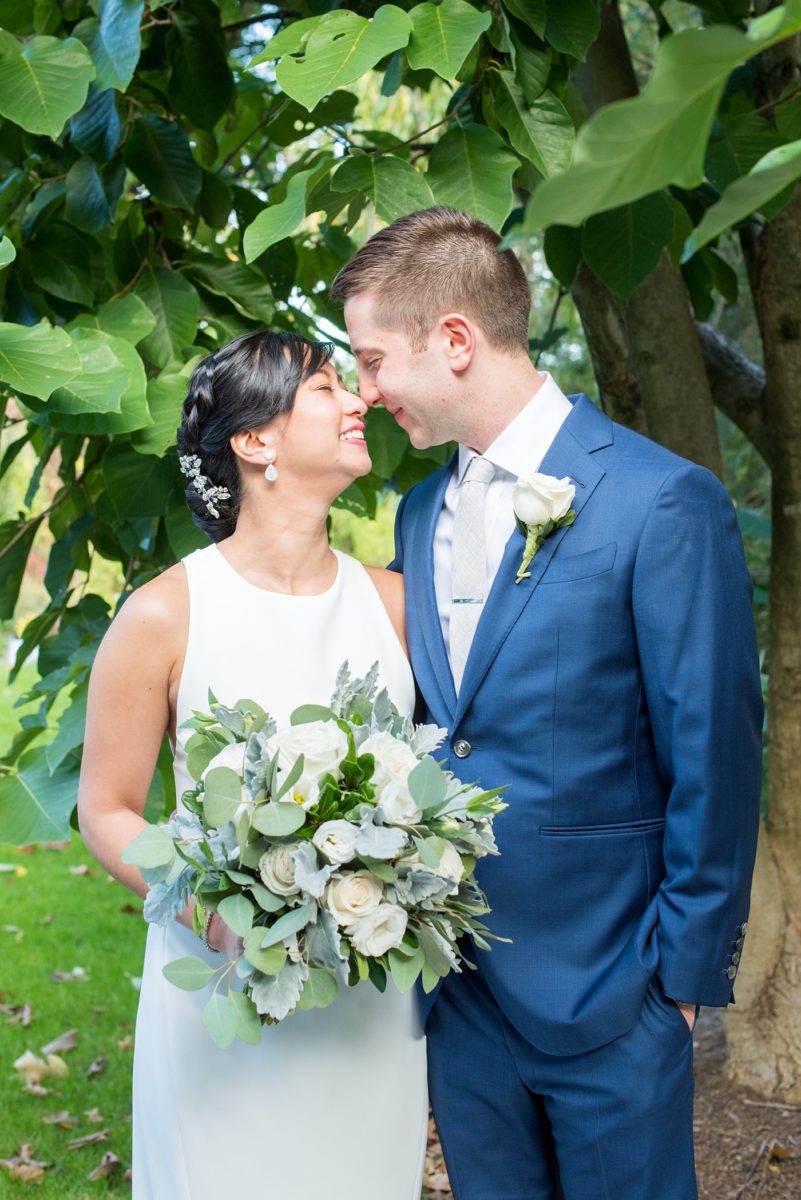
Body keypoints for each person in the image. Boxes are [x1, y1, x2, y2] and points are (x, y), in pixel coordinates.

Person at [331, 206, 763, 1200]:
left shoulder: (661, 501)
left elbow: (718, 753)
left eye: (370, 359)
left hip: (617, 990)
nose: (365, 391)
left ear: (453, 341)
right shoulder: (419, 507)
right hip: (463, 996)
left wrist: (679, 985)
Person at [77, 331, 428, 1200]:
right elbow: (108, 808)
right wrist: (218, 914)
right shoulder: (163, 614)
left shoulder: (395, 605)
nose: (359, 402)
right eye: (324, 387)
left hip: (365, 998)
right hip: (222, 998)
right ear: (254, 441)